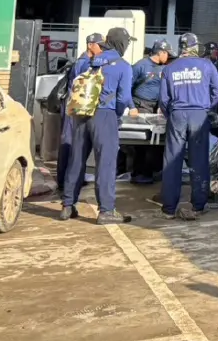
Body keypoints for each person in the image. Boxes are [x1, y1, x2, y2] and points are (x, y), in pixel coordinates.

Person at [60, 27, 135, 224]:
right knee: (106, 164)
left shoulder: (88, 61)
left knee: (77, 159)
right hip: (105, 115)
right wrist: (116, 114)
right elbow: (124, 98)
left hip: (82, 114)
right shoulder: (123, 66)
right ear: (122, 43)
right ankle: (106, 210)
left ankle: (67, 205)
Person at [158, 33, 218, 220]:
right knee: (199, 160)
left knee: (172, 161)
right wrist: (206, 107)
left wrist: (171, 114)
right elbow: (217, 92)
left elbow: (163, 99)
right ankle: (199, 205)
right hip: (199, 115)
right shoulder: (207, 65)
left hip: (177, 114)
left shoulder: (170, 68)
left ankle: (169, 208)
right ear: (195, 47)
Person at [56, 33, 103, 195]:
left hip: (77, 109)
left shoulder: (85, 61)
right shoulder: (84, 63)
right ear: (90, 45)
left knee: (74, 143)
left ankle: (71, 179)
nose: (101, 49)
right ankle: (64, 181)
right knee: (69, 143)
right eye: (99, 45)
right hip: (75, 109)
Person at [129, 40, 171, 185]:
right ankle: (138, 173)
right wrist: (131, 106)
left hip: (157, 107)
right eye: (167, 54)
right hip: (141, 105)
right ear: (161, 52)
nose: (168, 57)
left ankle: (154, 171)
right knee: (143, 142)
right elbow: (127, 87)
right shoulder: (140, 66)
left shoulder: (165, 68)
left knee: (158, 141)